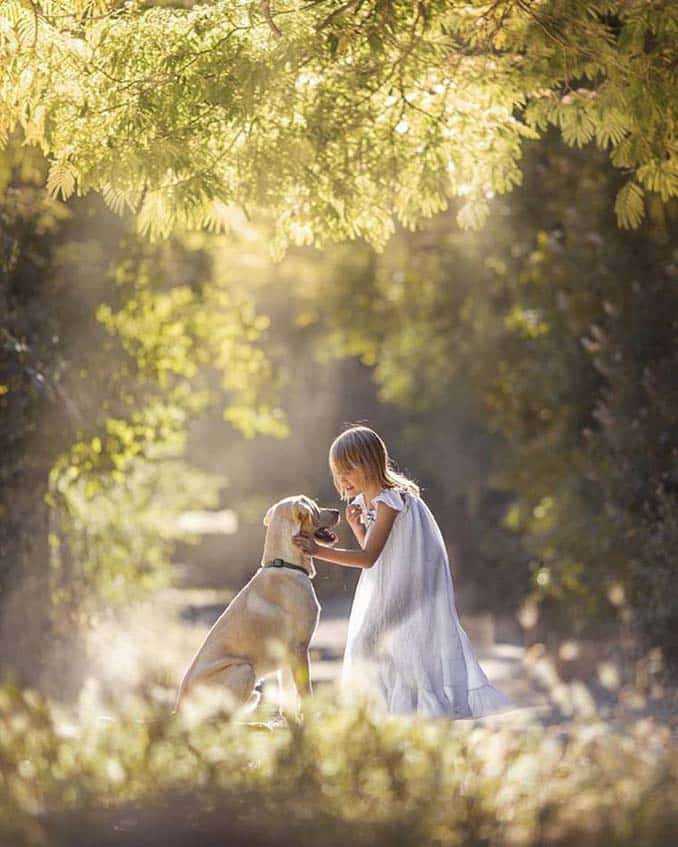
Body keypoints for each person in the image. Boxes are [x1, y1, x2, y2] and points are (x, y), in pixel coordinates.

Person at [292, 424, 514, 719]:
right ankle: (379, 710)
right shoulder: (369, 502)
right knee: (372, 644)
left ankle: (402, 709)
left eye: (349, 469)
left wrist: (317, 551)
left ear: (370, 464)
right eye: (337, 471)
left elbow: (369, 558)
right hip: (390, 580)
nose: (341, 478)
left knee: (382, 643)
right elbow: (380, 551)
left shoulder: (390, 500)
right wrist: (359, 528)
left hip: (406, 586)